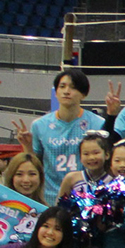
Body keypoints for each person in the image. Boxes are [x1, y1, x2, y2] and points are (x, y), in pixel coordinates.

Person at [24, 69, 99, 200]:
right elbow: (34, 164)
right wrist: (26, 146)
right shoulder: (39, 125)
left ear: (83, 94)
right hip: (49, 198)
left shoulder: (97, 123)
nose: (66, 91)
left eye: (73, 87)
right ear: (56, 92)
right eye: (62, 86)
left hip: (86, 198)